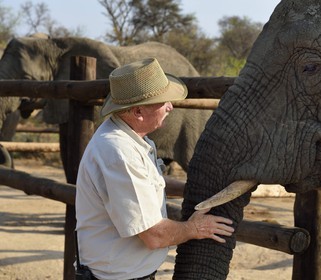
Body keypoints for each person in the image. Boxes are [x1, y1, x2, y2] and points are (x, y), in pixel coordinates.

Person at [75, 58, 234, 280]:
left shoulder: (133, 139)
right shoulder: (119, 152)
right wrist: (194, 228)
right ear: (138, 111)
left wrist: (189, 189)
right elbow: (153, 235)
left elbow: (142, 186)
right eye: (162, 101)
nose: (170, 106)